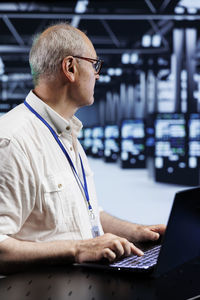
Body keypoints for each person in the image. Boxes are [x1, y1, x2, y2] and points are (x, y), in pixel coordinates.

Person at [0, 22, 165, 275]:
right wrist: (77, 249)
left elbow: (87, 214)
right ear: (70, 68)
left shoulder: (67, 133)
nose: (97, 75)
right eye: (95, 64)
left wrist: (136, 232)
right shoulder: (11, 141)